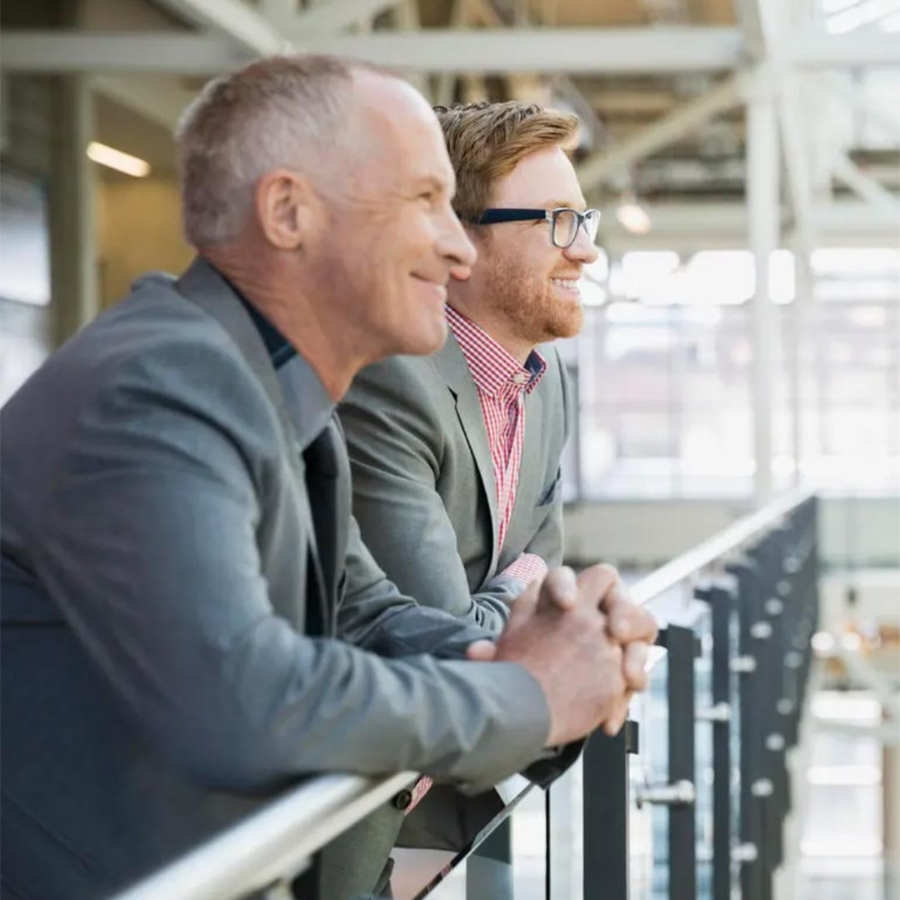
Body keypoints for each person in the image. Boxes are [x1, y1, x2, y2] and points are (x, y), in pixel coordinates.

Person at [1, 58, 645, 900]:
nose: (456, 246)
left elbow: (364, 613)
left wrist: (556, 655)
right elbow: (241, 698)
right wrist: (528, 698)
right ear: (288, 212)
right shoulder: (161, 386)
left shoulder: (269, 389)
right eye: (424, 202)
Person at [339, 100, 658, 850]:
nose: (583, 251)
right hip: (342, 828)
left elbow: (544, 578)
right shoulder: (388, 381)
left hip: (442, 821)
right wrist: (517, 588)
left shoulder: (547, 384)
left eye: (584, 222)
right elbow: (448, 641)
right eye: (555, 222)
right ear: (459, 238)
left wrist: (519, 594)